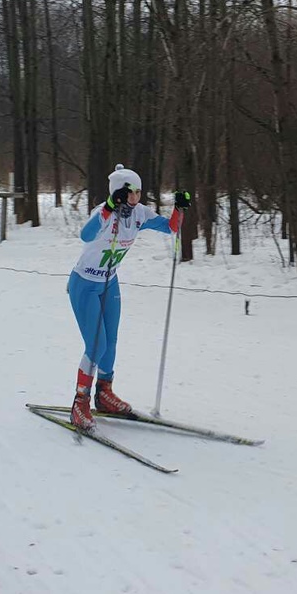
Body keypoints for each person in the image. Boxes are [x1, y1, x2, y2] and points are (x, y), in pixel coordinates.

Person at [66, 163, 191, 431]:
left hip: (109, 284)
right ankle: (80, 402)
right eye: (132, 192)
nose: (137, 197)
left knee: (110, 343)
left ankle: (103, 393)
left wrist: (179, 209)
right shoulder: (103, 213)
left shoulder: (139, 214)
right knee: (96, 346)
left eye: (139, 192)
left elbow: (170, 228)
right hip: (85, 284)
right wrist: (110, 206)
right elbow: (85, 235)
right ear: (120, 192)